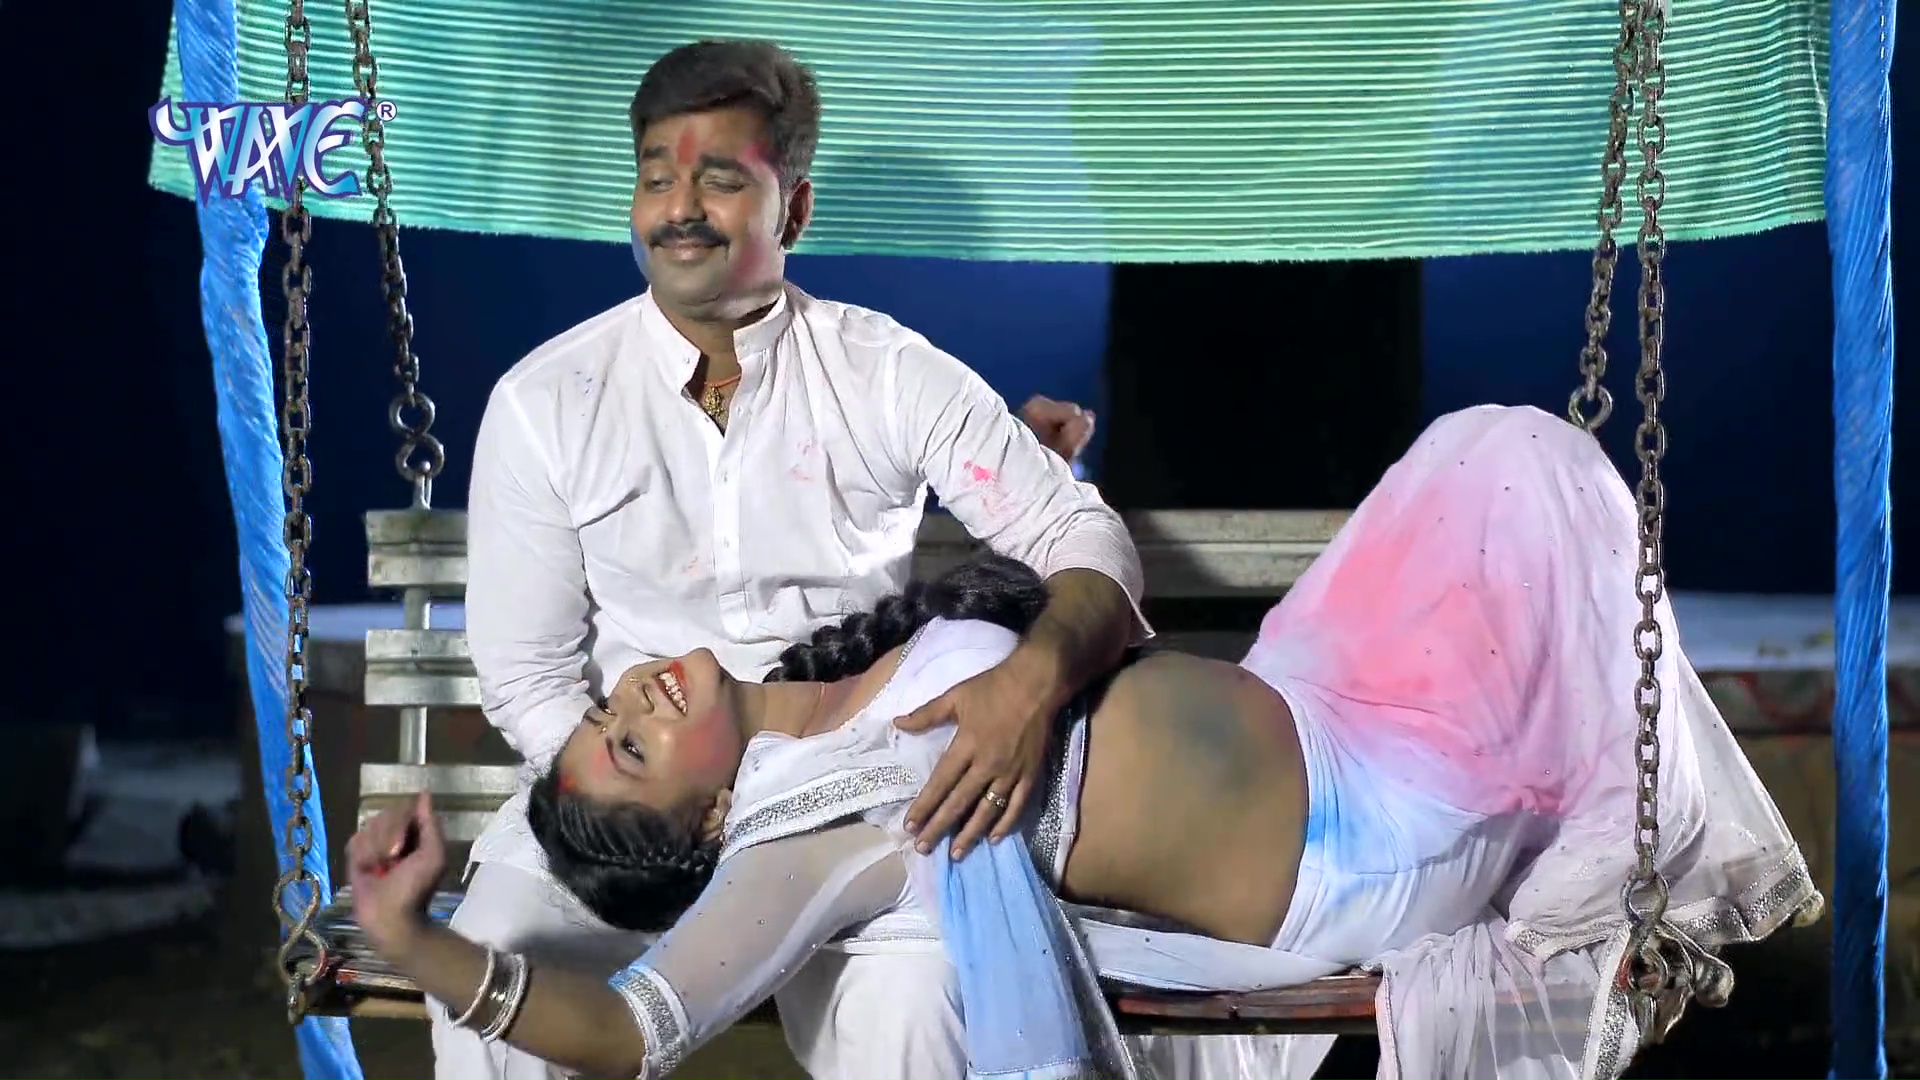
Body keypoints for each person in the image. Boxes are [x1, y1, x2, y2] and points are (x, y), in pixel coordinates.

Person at [356, 404, 1821, 1080]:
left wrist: (1034, 496)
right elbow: (628, 1032)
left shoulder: (828, 678)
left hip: (1323, 696)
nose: (632, 702)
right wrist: (413, 941)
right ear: (698, 828)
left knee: (1494, 450)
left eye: (607, 709)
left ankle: (1603, 846)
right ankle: (1604, 888)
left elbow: (1040, 603)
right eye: (628, 750)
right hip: (1362, 843)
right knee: (1523, 482)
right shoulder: (801, 832)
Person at [447, 36, 1156, 1080]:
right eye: (656, 177)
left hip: (855, 798)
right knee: (491, 960)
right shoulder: (548, 402)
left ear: (795, 210)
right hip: (634, 799)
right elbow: (527, 678)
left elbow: (1080, 536)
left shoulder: (883, 373)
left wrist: (1030, 683)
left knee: (919, 996)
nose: (681, 208)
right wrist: (660, 811)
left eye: (722, 180)